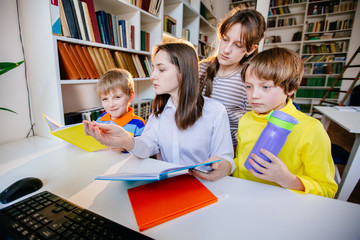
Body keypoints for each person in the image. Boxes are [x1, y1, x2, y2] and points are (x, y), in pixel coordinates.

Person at [84, 42, 235, 181]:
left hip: (203, 186)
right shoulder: (159, 111)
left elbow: (225, 157)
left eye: (161, 69)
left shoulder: (215, 111)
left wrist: (224, 166)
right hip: (166, 186)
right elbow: (148, 145)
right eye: (153, 68)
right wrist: (127, 141)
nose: (152, 76)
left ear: (183, 71)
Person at [232, 47, 338, 198]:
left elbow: (327, 190)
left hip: (284, 206)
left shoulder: (311, 129)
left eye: (265, 87)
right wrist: (227, 164)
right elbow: (242, 162)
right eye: (249, 86)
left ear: (291, 88)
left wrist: (287, 179)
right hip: (242, 197)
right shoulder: (246, 119)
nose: (253, 95)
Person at [199, 8, 266, 149]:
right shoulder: (202, 69)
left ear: (251, 49)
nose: (226, 49)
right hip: (197, 143)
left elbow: (252, 126)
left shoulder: (249, 81)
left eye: (237, 45)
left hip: (230, 149)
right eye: (225, 39)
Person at [92, 69, 145, 152]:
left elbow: (143, 151)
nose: (111, 104)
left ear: (130, 97)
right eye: (105, 99)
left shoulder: (138, 124)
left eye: (117, 97)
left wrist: (126, 147)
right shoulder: (101, 118)